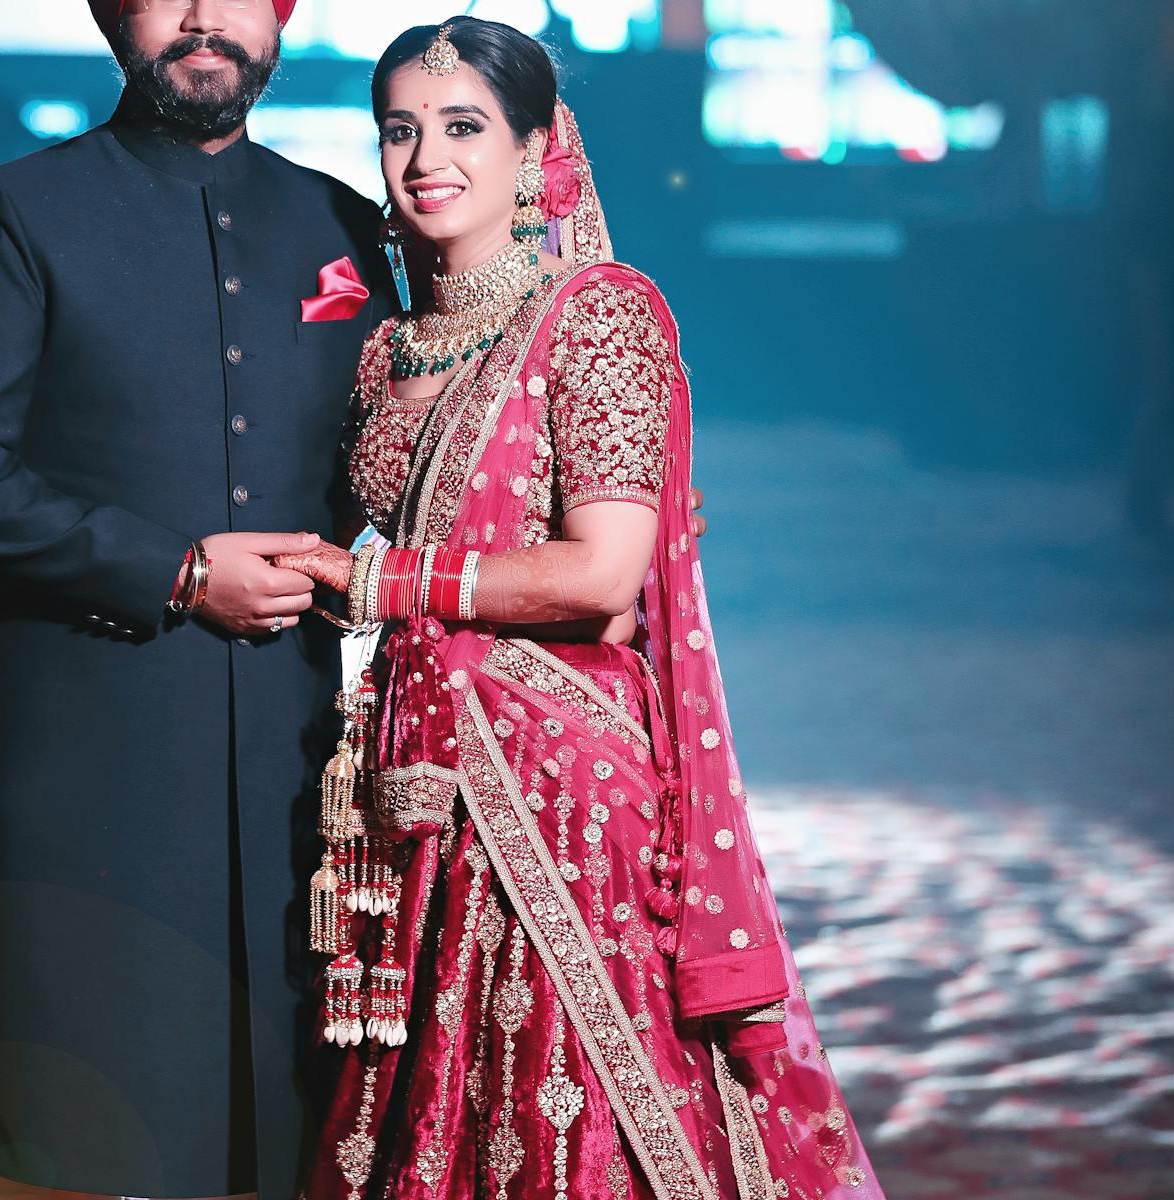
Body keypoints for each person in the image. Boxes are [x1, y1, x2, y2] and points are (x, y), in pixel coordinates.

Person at [274, 19, 886, 1199]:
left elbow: (605, 577)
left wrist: (382, 583)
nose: (423, 158)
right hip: (410, 782)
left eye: (463, 128)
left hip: (557, 790)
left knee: (562, 1104)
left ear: (536, 149)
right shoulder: (387, 348)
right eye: (398, 129)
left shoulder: (597, 313)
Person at [0, 2, 402, 1197]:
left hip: (289, 756)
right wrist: (173, 569)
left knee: (281, 1130)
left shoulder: (338, 222)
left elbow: (404, 447)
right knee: (65, 1125)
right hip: (75, 750)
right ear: (112, 12)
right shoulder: (18, 211)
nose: (202, 18)